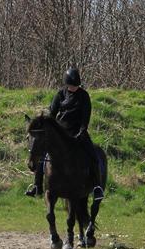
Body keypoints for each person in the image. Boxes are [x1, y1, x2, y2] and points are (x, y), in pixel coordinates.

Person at [26, 66, 104, 200]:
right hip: (61, 133)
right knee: (41, 153)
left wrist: (82, 131)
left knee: (92, 155)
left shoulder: (84, 96)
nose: (74, 87)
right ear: (66, 84)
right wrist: (49, 129)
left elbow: (86, 117)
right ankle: (37, 186)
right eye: (72, 85)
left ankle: (97, 187)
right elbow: (52, 114)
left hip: (78, 132)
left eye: (76, 85)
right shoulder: (60, 94)